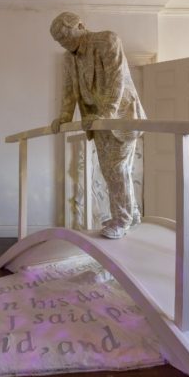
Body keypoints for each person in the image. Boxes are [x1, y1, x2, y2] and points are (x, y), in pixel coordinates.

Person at [50, 12, 147, 239]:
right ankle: (131, 214)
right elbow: (68, 89)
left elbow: (117, 79)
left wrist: (106, 114)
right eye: (59, 40)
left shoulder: (107, 40)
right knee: (110, 171)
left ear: (80, 26)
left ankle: (122, 220)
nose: (63, 42)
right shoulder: (68, 58)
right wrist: (64, 116)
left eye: (65, 35)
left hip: (121, 116)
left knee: (118, 169)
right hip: (95, 120)